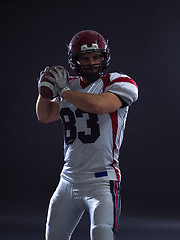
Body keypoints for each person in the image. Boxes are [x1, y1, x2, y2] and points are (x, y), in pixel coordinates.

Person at [36, 30, 138, 240]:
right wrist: (44, 92)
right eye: (85, 58)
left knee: (101, 235)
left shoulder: (117, 81)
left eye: (96, 57)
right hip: (68, 179)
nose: (92, 62)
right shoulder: (70, 85)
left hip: (101, 180)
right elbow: (45, 115)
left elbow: (99, 106)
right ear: (76, 60)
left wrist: (62, 91)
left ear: (104, 56)